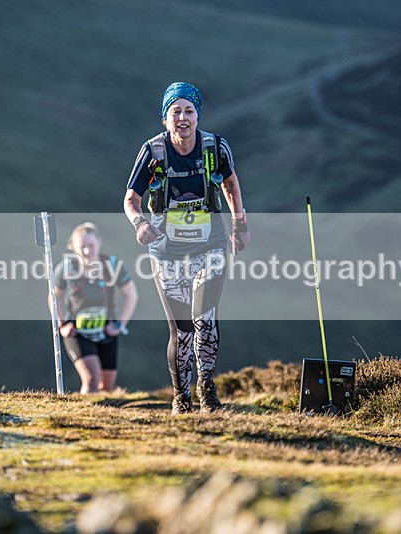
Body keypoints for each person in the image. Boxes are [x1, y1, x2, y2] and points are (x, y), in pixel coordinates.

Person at [123, 82, 250, 414]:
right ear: (165, 118)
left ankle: (207, 389)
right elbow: (131, 199)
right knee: (182, 331)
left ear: (198, 116)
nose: (183, 118)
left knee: (204, 319)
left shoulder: (215, 147)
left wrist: (240, 226)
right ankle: (181, 398)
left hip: (211, 246)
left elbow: (230, 183)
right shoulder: (153, 151)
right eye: (175, 112)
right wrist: (140, 224)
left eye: (189, 111)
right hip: (167, 252)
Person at [51, 222, 138, 394]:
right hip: (78, 332)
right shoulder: (67, 268)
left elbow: (131, 296)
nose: (86, 251)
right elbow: (55, 296)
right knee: (92, 380)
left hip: (106, 331)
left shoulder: (112, 265)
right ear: (73, 247)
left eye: (90, 245)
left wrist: (120, 325)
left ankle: (103, 411)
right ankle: (84, 411)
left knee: (106, 387)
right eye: (81, 247)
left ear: (99, 242)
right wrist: (62, 325)